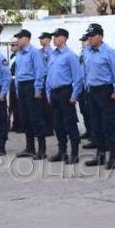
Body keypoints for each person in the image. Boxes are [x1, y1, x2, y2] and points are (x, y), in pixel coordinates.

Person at [82, 25, 115, 169]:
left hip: (106, 91)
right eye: (88, 36)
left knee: (108, 125)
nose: (89, 39)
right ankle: (100, 156)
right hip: (92, 91)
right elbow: (86, 72)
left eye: (92, 36)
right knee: (96, 125)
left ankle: (113, 157)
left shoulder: (109, 52)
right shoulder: (87, 52)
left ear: (100, 37)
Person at [45, 28, 83, 165]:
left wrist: (74, 95)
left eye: (56, 36)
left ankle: (74, 153)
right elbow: (49, 75)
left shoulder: (70, 56)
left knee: (70, 123)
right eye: (53, 37)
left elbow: (78, 78)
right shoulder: (53, 55)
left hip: (65, 92)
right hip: (54, 93)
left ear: (64, 38)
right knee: (57, 124)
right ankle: (62, 152)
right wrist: (48, 93)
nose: (54, 39)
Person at [13, 29, 48, 160]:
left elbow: (40, 71)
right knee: (25, 118)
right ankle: (30, 147)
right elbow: (17, 73)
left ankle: (42, 149)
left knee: (36, 118)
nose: (18, 40)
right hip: (22, 86)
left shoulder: (34, 52)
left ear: (27, 39)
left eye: (20, 38)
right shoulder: (19, 53)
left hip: (31, 85)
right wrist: (17, 89)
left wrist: (38, 89)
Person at [38, 32, 55, 137]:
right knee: (41, 105)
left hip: (48, 78)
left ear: (49, 39)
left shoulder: (52, 53)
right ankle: (43, 127)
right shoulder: (38, 52)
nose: (41, 40)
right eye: (40, 38)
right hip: (40, 79)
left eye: (43, 38)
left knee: (48, 105)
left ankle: (50, 128)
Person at [8, 39, 23, 133]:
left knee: (19, 105)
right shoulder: (12, 56)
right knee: (12, 105)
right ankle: (15, 124)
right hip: (12, 82)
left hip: (18, 80)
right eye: (11, 45)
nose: (11, 47)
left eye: (13, 45)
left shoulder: (20, 56)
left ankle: (21, 125)